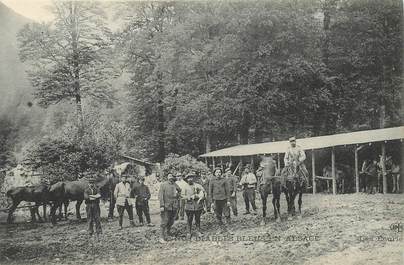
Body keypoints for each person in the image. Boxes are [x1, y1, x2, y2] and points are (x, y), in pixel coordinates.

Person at [159, 173, 181, 243]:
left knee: (171, 221)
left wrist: (178, 195)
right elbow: (160, 196)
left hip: (173, 206)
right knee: (164, 221)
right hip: (166, 206)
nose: (171, 178)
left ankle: (167, 233)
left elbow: (180, 190)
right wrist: (162, 205)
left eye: (172, 177)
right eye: (169, 177)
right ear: (167, 177)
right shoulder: (163, 185)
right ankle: (161, 237)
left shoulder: (174, 184)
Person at [183, 173, 205, 239]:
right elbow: (182, 196)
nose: (190, 179)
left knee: (197, 219)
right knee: (189, 219)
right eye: (189, 178)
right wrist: (189, 197)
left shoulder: (198, 185)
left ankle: (198, 231)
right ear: (187, 179)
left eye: (192, 178)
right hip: (189, 206)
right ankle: (188, 232)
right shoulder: (185, 187)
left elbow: (203, 192)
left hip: (197, 205)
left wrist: (199, 196)